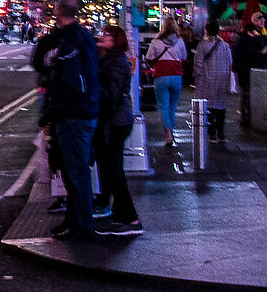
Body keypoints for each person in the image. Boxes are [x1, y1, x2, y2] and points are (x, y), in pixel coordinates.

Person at [39, 0, 102, 239]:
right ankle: (76, 220)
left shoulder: (72, 40)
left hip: (74, 113)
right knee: (71, 170)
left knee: (76, 171)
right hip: (77, 111)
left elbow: (67, 76)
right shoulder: (78, 37)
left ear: (58, 12)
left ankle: (82, 225)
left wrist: (60, 99)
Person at [94, 23, 142, 235]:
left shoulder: (114, 61)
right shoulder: (108, 58)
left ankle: (130, 219)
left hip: (115, 121)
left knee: (114, 170)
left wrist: (90, 87)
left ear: (117, 40)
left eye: (108, 35)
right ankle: (118, 213)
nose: (102, 36)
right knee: (109, 167)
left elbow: (111, 94)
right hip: (114, 120)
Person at [146, 17, 188, 166]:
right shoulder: (180, 41)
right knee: (172, 107)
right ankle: (171, 131)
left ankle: (168, 134)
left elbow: (149, 57)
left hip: (161, 76)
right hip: (176, 76)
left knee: (163, 106)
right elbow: (184, 57)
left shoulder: (156, 42)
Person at [195, 20, 237, 148]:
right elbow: (230, 61)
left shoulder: (202, 45)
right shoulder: (225, 45)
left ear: (206, 31)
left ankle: (212, 134)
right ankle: (221, 133)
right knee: (221, 108)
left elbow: (198, 63)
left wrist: (196, 75)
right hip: (222, 80)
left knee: (209, 107)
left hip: (207, 79)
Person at [236, 14, 267, 131]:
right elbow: (251, 53)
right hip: (247, 71)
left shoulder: (263, 33)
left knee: (249, 94)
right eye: (260, 19)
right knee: (246, 94)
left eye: (263, 19)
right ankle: (246, 117)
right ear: (254, 21)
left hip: (258, 70)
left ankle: (249, 116)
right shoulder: (247, 36)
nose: (263, 21)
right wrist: (262, 53)